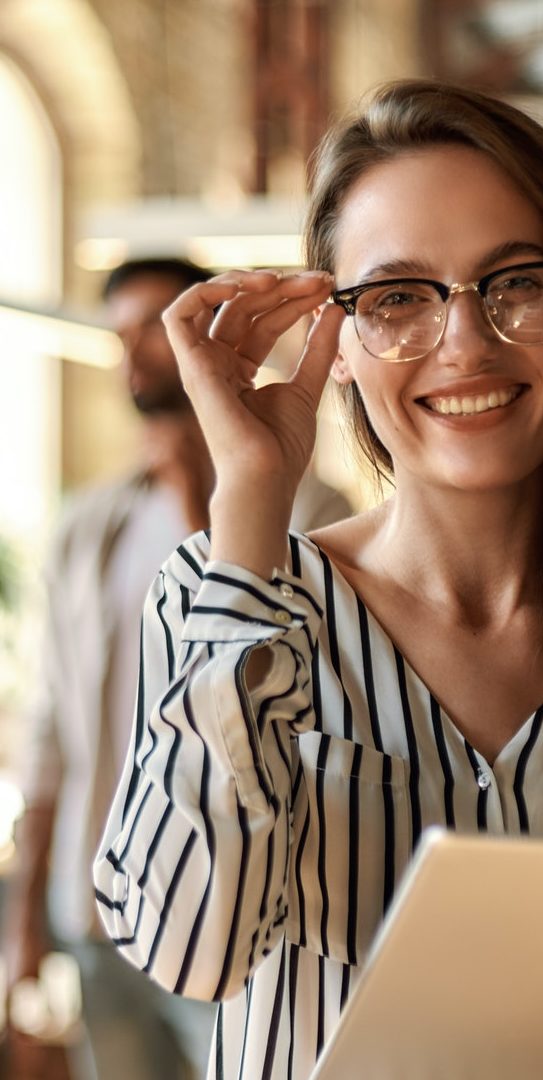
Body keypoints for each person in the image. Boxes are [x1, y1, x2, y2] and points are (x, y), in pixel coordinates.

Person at [93, 83, 543, 1080]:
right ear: (336, 340)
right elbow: (189, 953)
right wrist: (252, 501)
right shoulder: (225, 598)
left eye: (516, 281)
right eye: (397, 297)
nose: (466, 342)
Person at [5, 257, 352, 1080]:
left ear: (213, 329)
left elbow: (295, 684)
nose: (140, 352)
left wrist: (209, 495)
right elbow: (53, 726)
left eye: (160, 327)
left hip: (237, 892)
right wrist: (27, 914)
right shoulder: (93, 525)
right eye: (123, 336)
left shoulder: (313, 511)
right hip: (96, 902)